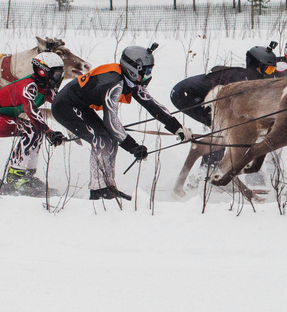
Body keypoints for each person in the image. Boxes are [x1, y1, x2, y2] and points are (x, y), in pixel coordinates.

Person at [50, 42, 191, 201]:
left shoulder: (130, 80)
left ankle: (107, 187)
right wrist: (133, 147)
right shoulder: (114, 81)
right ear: (133, 69)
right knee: (102, 139)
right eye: (146, 71)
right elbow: (111, 120)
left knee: (110, 139)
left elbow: (152, 104)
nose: (148, 76)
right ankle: (98, 190)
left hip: (80, 106)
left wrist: (176, 127)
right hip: (65, 106)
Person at [0, 52, 67, 196]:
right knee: (30, 129)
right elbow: (32, 112)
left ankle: (27, 175)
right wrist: (49, 132)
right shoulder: (29, 86)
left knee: (35, 130)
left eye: (59, 75)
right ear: (42, 72)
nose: (57, 79)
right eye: (55, 75)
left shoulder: (45, 87)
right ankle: (15, 177)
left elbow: (63, 105)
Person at [170, 42, 278, 128]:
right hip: (183, 94)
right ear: (257, 65)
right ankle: (213, 154)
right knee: (221, 127)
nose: (269, 74)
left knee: (224, 126)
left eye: (272, 70)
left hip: (197, 93)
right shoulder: (239, 79)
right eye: (268, 70)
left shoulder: (247, 75)